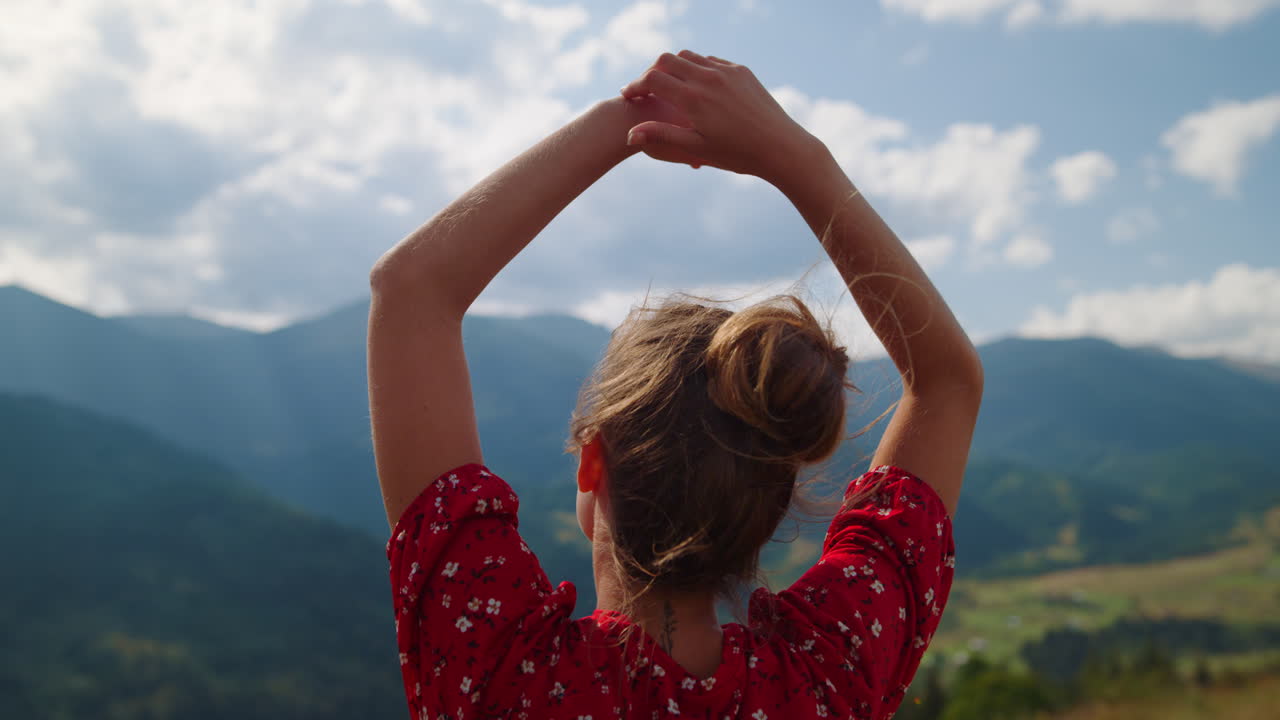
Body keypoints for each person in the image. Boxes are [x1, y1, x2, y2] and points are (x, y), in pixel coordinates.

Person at [368, 51, 983, 720]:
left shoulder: (501, 675)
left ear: (593, 461)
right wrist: (796, 158)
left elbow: (409, 291)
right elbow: (947, 383)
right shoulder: (830, 673)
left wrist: (628, 118)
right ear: (772, 500)